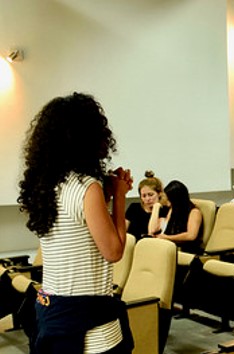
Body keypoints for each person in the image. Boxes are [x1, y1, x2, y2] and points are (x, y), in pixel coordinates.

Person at [17, 92, 133, 354]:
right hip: (91, 328)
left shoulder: (44, 185)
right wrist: (120, 197)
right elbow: (113, 251)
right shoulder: (86, 187)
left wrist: (108, 190)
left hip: (51, 313)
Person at [148, 180, 203, 254]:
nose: (166, 200)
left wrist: (167, 238)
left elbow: (191, 236)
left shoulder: (194, 212)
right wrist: (156, 208)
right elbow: (152, 230)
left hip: (185, 249)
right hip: (168, 246)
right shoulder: (171, 209)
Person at [125, 170, 164, 241]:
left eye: (151, 195)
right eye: (144, 196)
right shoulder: (134, 208)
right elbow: (123, 230)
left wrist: (156, 207)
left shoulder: (164, 210)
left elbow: (152, 231)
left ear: (159, 193)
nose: (147, 199)